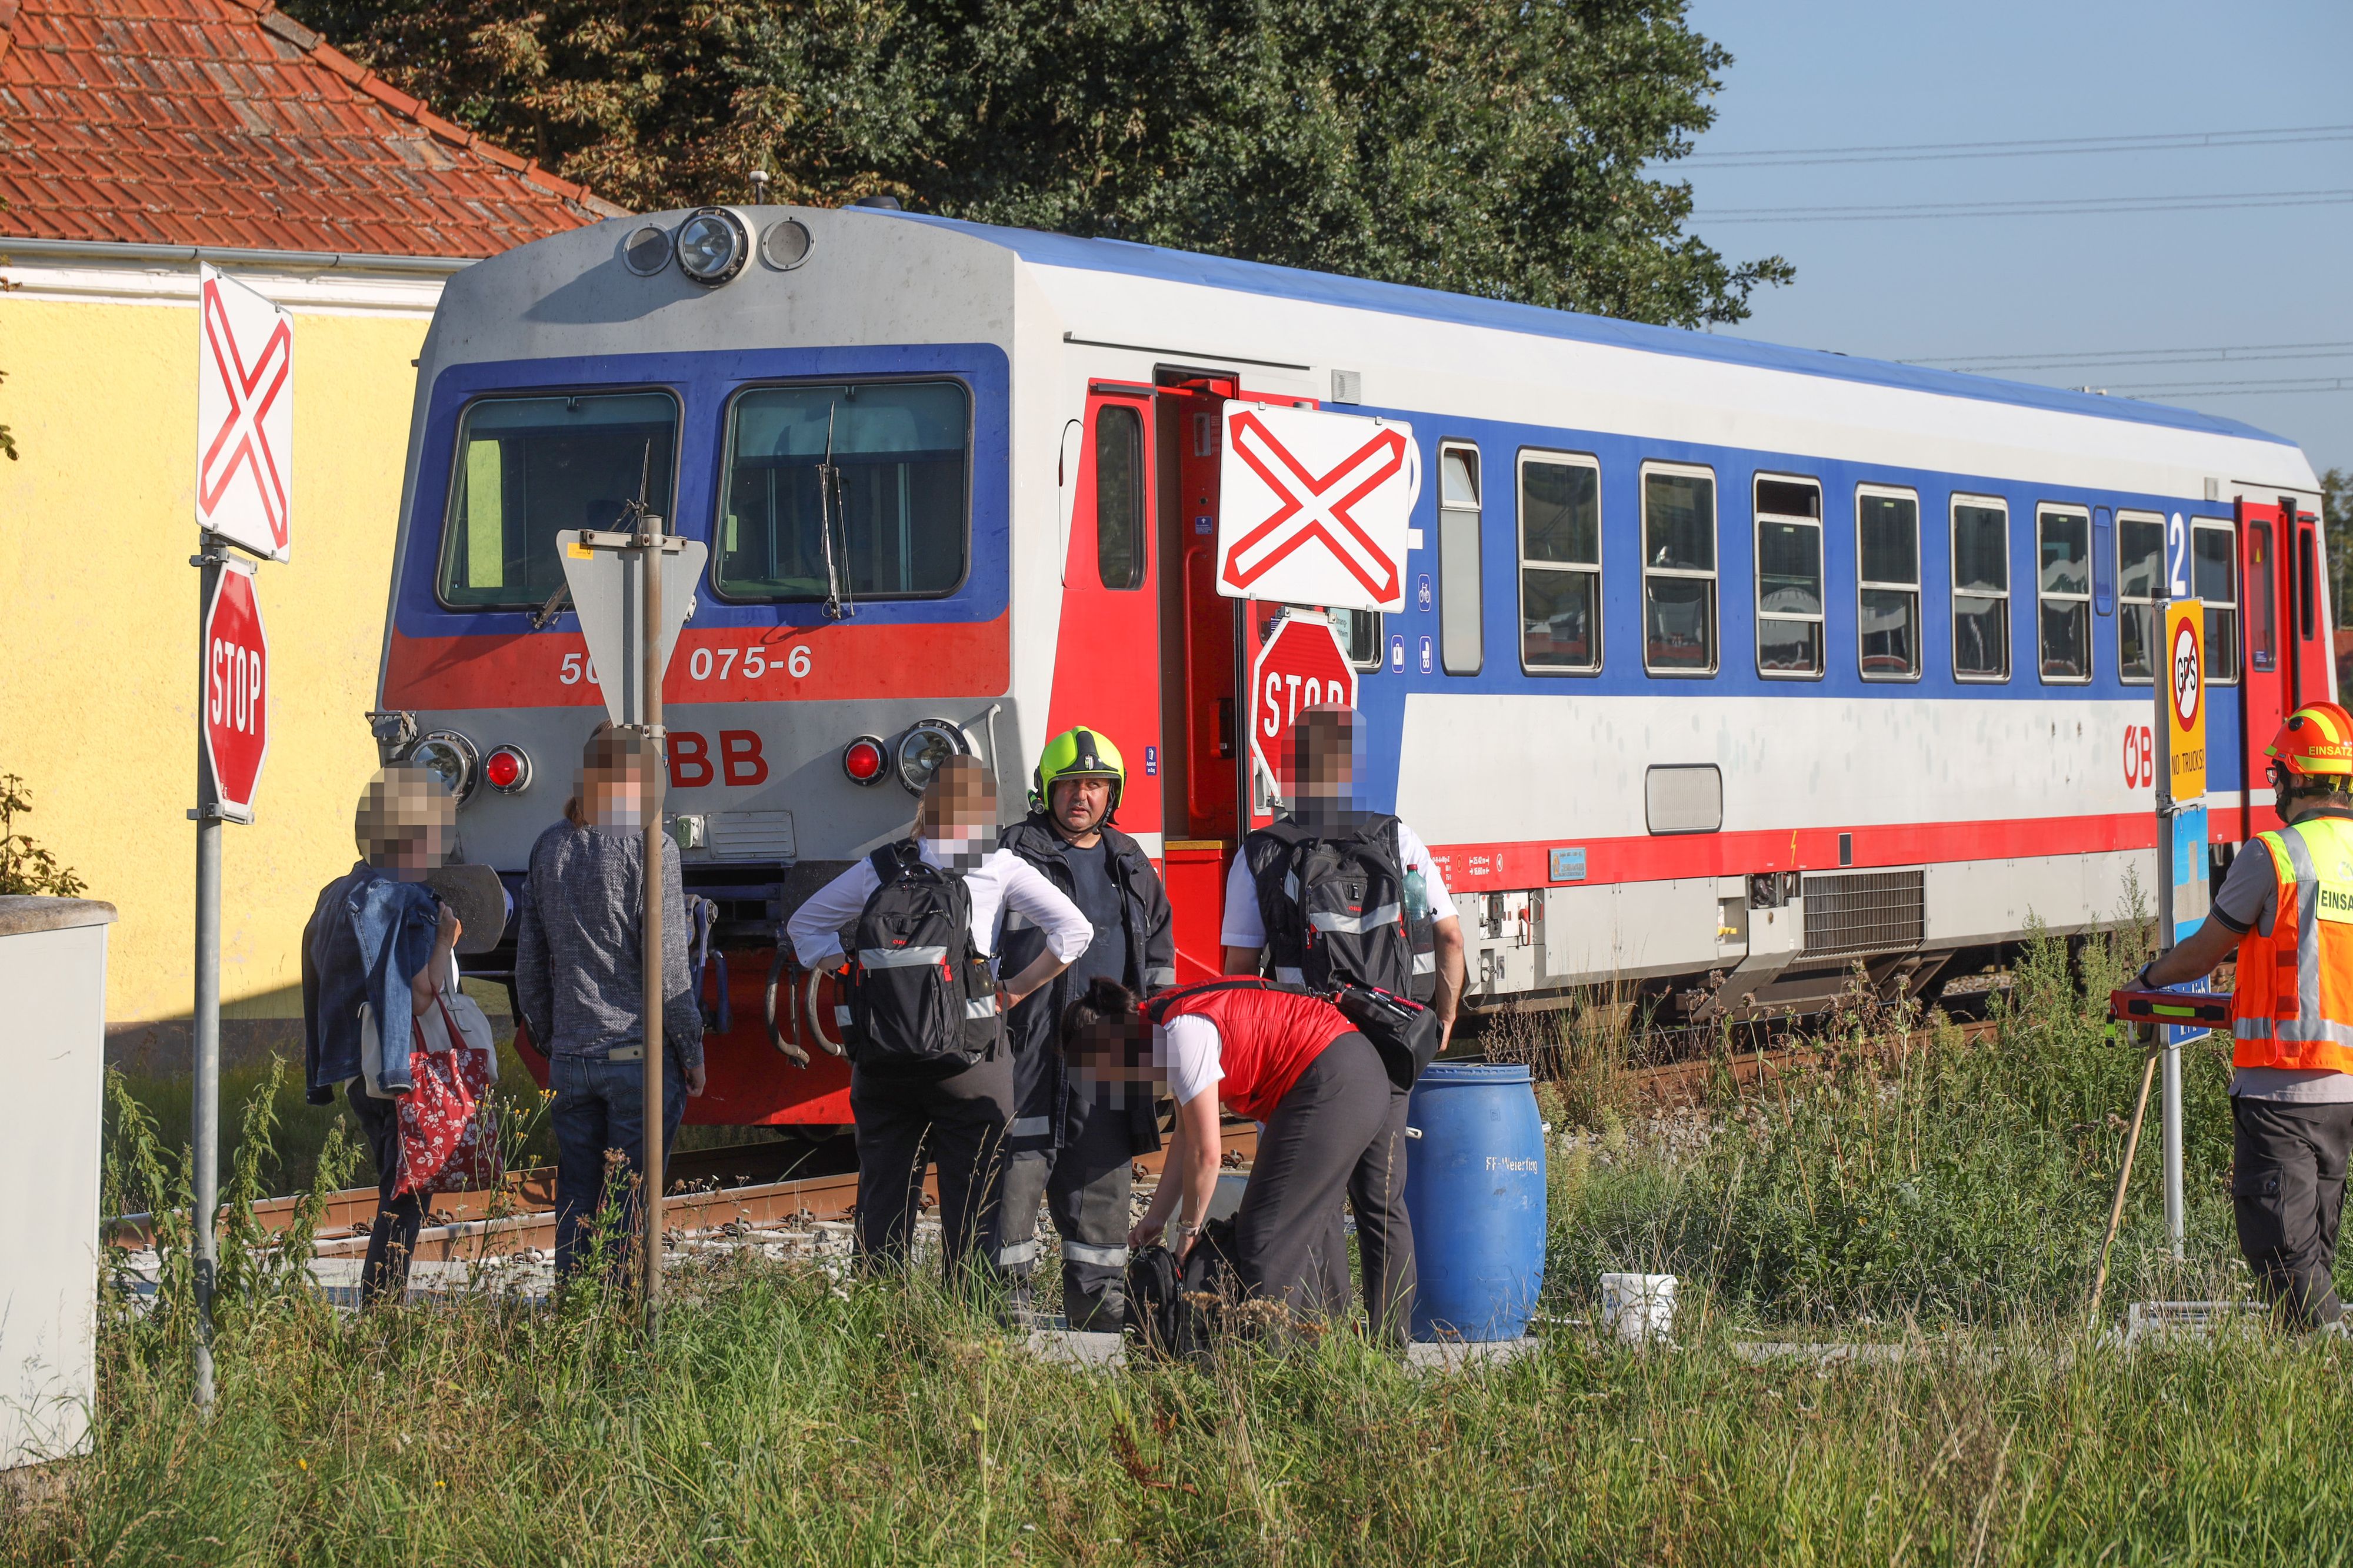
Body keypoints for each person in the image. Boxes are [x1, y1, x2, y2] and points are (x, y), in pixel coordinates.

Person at [786, 754, 1092, 1282]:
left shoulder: (882, 867)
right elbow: (1075, 933)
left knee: (883, 1202)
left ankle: (881, 1327)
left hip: (884, 1062)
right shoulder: (998, 864)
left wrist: (851, 970)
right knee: (973, 1207)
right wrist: (1014, 991)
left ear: (927, 804)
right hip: (970, 1059)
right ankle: (964, 1329)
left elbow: (804, 926)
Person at [2138, 702, 2353, 1330]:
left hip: (2279, 1087)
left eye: (2277, 775)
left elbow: (2205, 950)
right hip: (2341, 1092)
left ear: (2293, 778)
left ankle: (2328, 1364)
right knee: (2312, 1250)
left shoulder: (2275, 854)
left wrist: (2147, 979)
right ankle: (2310, 1388)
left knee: (2282, 1252)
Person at [1065, 975, 1417, 1341]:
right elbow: (1186, 1136)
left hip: (1331, 1075)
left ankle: (1271, 1373)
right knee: (1315, 1228)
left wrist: (1188, 1232)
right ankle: (1338, 1361)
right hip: (1354, 1067)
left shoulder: (1181, 1033)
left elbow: (1207, 1155)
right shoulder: (1168, 1018)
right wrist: (1155, 1219)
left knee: (1266, 1238)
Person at [991, 726, 1178, 1329]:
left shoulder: (1130, 863)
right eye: (1070, 783)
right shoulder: (1010, 855)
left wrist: (1162, 1042)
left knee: (1101, 1189)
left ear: (1112, 795)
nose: (1082, 795)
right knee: (1013, 1180)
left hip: (1109, 1055)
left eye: (1096, 785)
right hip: (1026, 1050)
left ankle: (1099, 1314)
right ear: (1046, 789)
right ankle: (1004, 1311)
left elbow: (1158, 965)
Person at [515, 727, 706, 1284]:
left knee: (575, 1193)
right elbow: (668, 965)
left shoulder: (549, 845)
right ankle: (624, 1316)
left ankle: (575, 1311)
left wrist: (556, 1041)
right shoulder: (653, 846)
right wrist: (691, 1050)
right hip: (637, 1057)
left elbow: (531, 963)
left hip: (573, 1058)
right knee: (632, 1199)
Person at [299, 766, 464, 1305]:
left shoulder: (333, 895)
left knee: (395, 1180)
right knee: (408, 1191)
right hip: (399, 1066)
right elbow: (420, 991)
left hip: (354, 1067)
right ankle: (382, 1304)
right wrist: (445, 939)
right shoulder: (405, 900)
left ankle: (382, 1300)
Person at [1221, 706, 1466, 1044]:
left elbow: (1240, 970)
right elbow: (1451, 938)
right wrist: (1445, 1019)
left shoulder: (1261, 852)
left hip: (1303, 1042)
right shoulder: (1399, 839)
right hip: (1394, 1038)